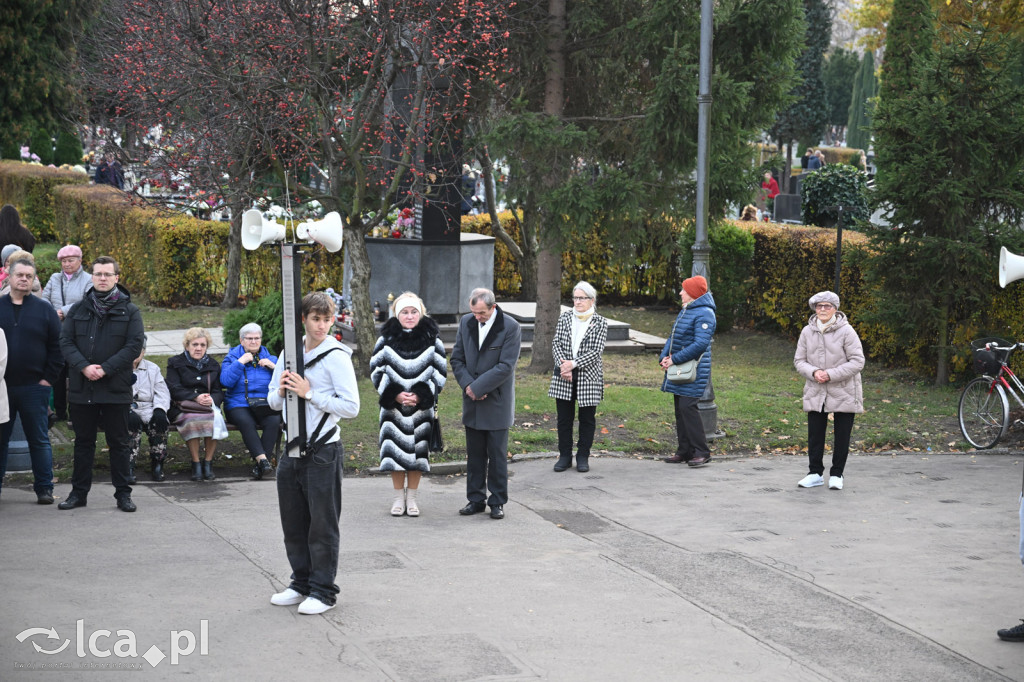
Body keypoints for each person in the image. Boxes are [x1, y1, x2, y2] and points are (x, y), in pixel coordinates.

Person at [267, 291, 360, 615]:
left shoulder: (337, 356)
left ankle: (323, 592)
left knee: (322, 526)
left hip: (323, 451)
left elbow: (351, 407)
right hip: (291, 449)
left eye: (327, 319)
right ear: (303, 319)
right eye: (315, 319)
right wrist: (281, 391)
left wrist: (311, 394)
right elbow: (272, 401)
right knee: (293, 524)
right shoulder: (289, 353)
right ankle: (301, 583)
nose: (321, 325)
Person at [58, 256, 146, 512]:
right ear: (92, 277)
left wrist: (105, 368)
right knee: (83, 444)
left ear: (116, 278)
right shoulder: (78, 309)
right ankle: (78, 494)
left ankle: (123, 495)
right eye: (98, 274)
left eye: (108, 274)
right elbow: (65, 342)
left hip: (115, 388)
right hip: (82, 387)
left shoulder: (130, 311)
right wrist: (84, 367)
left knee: (119, 444)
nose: (103, 278)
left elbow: (134, 345)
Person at [370, 292, 447, 517]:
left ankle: (412, 499)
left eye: (414, 311)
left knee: (418, 455)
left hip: (421, 410)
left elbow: (440, 371)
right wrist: (394, 394)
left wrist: (422, 395)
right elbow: (376, 369)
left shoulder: (433, 339)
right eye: (405, 312)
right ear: (397, 314)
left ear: (421, 313)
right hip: (392, 410)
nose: (410, 316)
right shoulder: (385, 339)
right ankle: (397, 499)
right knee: (394, 454)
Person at [450, 287, 521, 520]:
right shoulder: (466, 322)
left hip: (497, 400)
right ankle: (475, 499)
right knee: (475, 455)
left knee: (497, 456)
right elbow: (457, 358)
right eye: (474, 312)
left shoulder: (510, 327)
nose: (477, 317)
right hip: (472, 400)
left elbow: (506, 366)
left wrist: (479, 387)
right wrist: (469, 386)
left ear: (493, 307)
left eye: (482, 313)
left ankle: (497, 501)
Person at [0, 259, 61, 504]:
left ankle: (44, 488)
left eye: (29, 276)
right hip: (2, 388)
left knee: (39, 440)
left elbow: (57, 347)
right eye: (20, 275)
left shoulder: (44, 309)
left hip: (35, 387)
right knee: (0, 441)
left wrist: (47, 380)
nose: (24, 279)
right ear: (9, 277)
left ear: (34, 279)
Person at [793, 290, 864, 491]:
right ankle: (814, 473)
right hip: (816, 389)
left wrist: (830, 374)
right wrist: (814, 372)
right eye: (819, 306)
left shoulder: (847, 331)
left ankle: (837, 474)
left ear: (835, 309)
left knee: (842, 434)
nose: (823, 309)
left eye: (827, 306)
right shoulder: (807, 331)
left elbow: (858, 361)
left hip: (844, 389)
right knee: (815, 433)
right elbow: (799, 360)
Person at [549, 281, 608, 473]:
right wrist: (563, 366)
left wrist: (573, 364)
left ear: (592, 300)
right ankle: (565, 456)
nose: (578, 301)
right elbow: (556, 343)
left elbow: (596, 351)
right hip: (563, 375)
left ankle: (583, 456)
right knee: (564, 419)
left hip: (587, 376)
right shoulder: (565, 317)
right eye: (575, 297)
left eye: (582, 298)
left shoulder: (600, 322)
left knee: (587, 419)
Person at [660, 275, 717, 468]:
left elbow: (700, 344)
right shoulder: (687, 310)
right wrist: (663, 357)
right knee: (680, 409)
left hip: (693, 369)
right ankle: (684, 451)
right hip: (679, 368)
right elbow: (673, 337)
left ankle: (702, 452)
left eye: (684, 290)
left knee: (688, 408)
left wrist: (674, 359)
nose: (680, 293)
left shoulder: (705, 313)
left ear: (693, 293)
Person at [220, 323, 281, 480]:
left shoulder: (271, 358)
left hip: (263, 403)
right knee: (246, 421)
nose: (254, 341)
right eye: (249, 338)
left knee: (274, 420)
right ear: (242, 340)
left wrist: (273, 367)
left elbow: (284, 381)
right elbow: (225, 381)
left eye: (257, 338)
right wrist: (240, 363)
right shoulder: (232, 358)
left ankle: (261, 464)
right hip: (238, 404)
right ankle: (264, 461)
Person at [166, 327, 225, 482]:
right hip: (183, 406)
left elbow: (218, 391)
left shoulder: (213, 364)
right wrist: (195, 397)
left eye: (202, 345)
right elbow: (173, 388)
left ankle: (208, 462)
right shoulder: (175, 363)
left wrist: (212, 399)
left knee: (214, 419)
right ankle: (196, 463)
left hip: (207, 406)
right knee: (192, 420)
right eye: (195, 344)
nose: (198, 348)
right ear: (187, 346)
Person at [42, 244, 90, 422]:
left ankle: (76, 410)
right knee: (58, 372)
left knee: (76, 371)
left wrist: (63, 311)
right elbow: (44, 298)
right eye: (63, 261)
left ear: (80, 260)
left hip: (77, 332)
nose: (67, 264)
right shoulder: (55, 278)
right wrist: (51, 313)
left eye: (70, 260)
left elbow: (87, 301)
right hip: (56, 331)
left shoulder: (88, 279)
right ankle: (60, 411)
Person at [130, 341, 171, 482]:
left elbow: (162, 392)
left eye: (139, 350)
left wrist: (160, 409)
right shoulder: (119, 367)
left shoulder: (153, 368)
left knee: (159, 423)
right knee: (130, 425)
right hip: (126, 407)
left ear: (144, 352)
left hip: (149, 407)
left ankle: (157, 464)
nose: (136, 353)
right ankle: (128, 466)